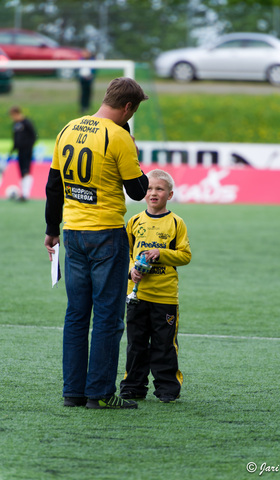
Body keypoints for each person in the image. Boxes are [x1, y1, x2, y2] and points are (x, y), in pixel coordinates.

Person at [44, 77, 149, 410]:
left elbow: (53, 186)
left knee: (76, 314)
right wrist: (132, 147)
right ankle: (100, 394)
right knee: (107, 317)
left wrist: (51, 229)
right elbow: (137, 190)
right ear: (128, 107)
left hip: (72, 233)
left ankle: (72, 392)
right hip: (106, 235)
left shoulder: (68, 128)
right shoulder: (119, 137)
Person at [120, 169, 192, 403]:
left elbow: (185, 255)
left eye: (159, 189)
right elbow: (128, 253)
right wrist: (132, 269)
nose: (153, 193)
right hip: (137, 296)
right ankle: (133, 386)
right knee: (136, 344)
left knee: (164, 345)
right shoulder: (134, 221)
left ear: (169, 195)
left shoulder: (176, 223)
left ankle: (167, 388)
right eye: (149, 189)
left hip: (165, 297)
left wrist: (160, 253)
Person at [9, 106, 37, 201]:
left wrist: (28, 146)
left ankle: (26, 194)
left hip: (27, 150)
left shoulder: (27, 122)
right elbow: (16, 138)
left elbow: (34, 136)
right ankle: (22, 193)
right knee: (21, 171)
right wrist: (13, 148)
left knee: (26, 170)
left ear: (17, 113)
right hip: (19, 151)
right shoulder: (15, 124)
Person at [78, 49, 95, 114]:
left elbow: (93, 70)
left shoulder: (92, 60)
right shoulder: (81, 60)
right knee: (83, 93)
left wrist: (91, 76)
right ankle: (83, 106)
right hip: (82, 78)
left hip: (89, 78)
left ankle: (87, 106)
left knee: (88, 92)